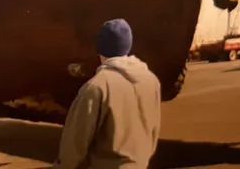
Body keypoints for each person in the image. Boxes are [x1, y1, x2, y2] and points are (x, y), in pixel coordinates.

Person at [54, 18, 162, 169]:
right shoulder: (151, 81)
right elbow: (153, 130)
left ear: (100, 49)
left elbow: (76, 141)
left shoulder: (96, 87)